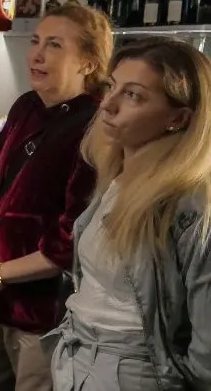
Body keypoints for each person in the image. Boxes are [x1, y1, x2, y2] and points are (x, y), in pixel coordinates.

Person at [0, 5, 113, 391]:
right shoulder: (25, 106)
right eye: (35, 41)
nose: (36, 54)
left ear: (88, 62)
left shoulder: (95, 127)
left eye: (54, 45)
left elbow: (69, 241)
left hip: (41, 312)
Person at [48, 37, 211, 390]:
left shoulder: (188, 205)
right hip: (78, 355)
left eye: (134, 95)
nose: (108, 105)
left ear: (179, 118)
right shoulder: (118, 175)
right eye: (112, 87)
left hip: (131, 371)